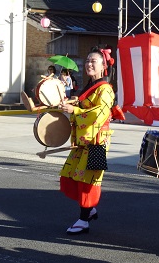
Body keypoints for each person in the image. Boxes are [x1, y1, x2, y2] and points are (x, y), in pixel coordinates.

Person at [57, 46, 115, 235]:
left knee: (89, 181)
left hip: (98, 141)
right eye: (88, 60)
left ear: (103, 66)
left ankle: (83, 220)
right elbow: (84, 107)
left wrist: (76, 111)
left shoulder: (105, 88)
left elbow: (99, 113)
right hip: (84, 141)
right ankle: (89, 211)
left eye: (94, 61)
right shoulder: (89, 86)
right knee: (71, 175)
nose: (89, 64)